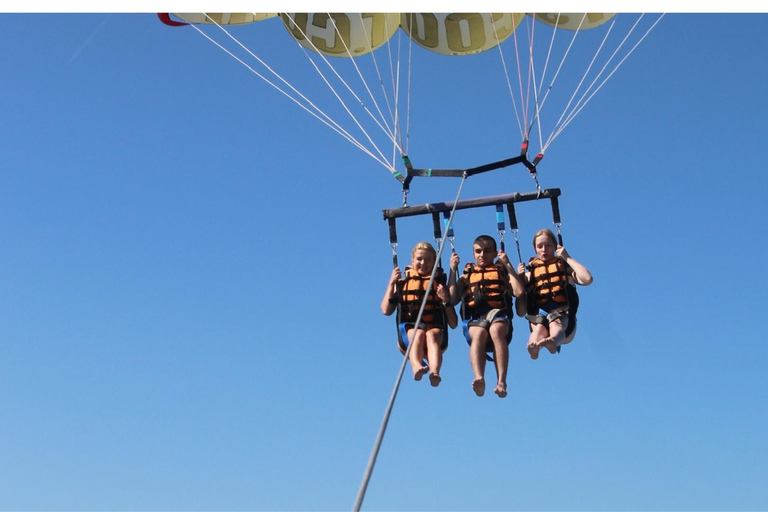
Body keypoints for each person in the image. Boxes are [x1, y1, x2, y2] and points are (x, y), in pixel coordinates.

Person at [449, 235, 525, 398]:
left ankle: (501, 381)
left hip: (498, 314)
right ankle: (479, 378)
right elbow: (452, 299)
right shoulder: (467, 274)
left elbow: (519, 292)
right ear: (473, 254)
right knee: (479, 333)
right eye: (478, 251)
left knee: (496, 330)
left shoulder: (502, 271)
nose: (482, 255)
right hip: (475, 318)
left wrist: (508, 264)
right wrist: (453, 270)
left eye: (487, 251)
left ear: (495, 253)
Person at [381, 242, 458, 387]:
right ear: (412, 260)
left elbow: (453, 324)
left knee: (431, 335)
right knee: (418, 333)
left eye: (428, 259)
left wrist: (445, 299)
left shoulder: (439, 284)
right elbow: (386, 310)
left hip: (434, 329)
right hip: (411, 331)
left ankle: (434, 372)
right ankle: (416, 366)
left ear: (434, 261)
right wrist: (392, 283)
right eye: (419, 259)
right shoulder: (403, 283)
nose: (423, 263)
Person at [517, 229, 593, 359]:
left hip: (562, 315)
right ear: (535, 249)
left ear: (555, 247)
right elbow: (520, 308)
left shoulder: (564, 270)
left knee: (555, 324)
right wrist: (519, 278)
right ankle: (534, 346)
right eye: (540, 246)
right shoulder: (529, 275)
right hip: (539, 315)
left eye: (548, 245)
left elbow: (587, 279)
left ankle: (552, 341)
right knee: (539, 328)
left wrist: (567, 257)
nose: (544, 250)